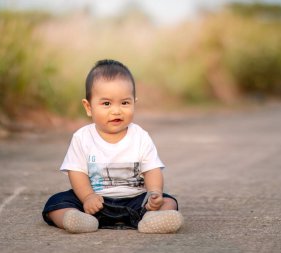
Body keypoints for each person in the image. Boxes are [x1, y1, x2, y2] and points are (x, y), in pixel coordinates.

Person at [42, 59, 183, 234]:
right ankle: (76, 219)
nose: (116, 111)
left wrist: (154, 192)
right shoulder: (82, 138)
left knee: (169, 202)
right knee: (56, 202)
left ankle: (151, 220)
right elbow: (77, 172)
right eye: (106, 103)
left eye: (124, 103)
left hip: (135, 202)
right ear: (88, 107)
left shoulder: (140, 136)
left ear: (134, 103)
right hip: (94, 204)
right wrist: (87, 197)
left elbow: (152, 170)